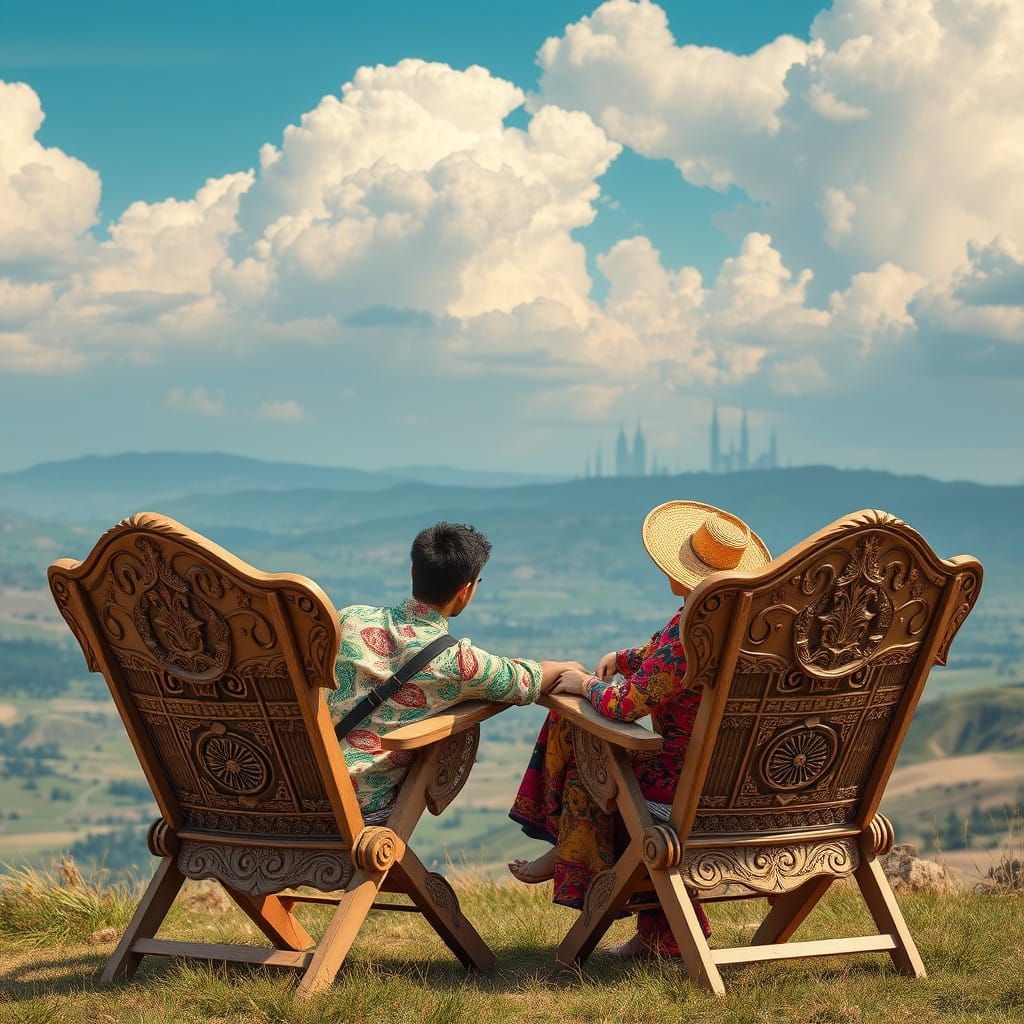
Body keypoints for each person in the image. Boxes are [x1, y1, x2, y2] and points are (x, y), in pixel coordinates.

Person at [508, 500, 771, 957]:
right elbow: (660, 660)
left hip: (685, 793)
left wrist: (585, 684)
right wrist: (623, 658)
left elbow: (624, 703)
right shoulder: (756, 629)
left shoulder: (691, 632)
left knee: (581, 741)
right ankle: (660, 936)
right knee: (601, 757)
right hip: (753, 787)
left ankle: (564, 845)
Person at [330, 520, 584, 819]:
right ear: (466, 590)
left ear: (413, 572)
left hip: (293, 789)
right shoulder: (460, 663)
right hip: (355, 806)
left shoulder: (348, 620)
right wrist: (573, 668)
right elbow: (531, 679)